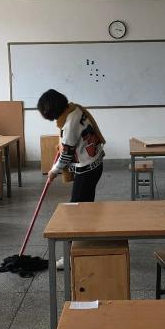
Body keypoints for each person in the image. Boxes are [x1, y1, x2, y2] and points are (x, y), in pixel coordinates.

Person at [37, 89, 106, 269]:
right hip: (95, 164)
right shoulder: (75, 109)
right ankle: (84, 244)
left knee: (76, 211)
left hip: (87, 170)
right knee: (85, 208)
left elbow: (66, 155)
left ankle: (69, 256)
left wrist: (54, 171)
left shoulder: (68, 125)